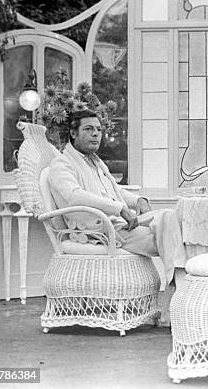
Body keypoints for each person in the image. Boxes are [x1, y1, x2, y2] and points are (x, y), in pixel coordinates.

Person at [47, 109, 185, 294]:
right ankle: (180, 292)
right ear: (73, 133)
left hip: (118, 225)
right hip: (100, 230)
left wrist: (138, 201)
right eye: (88, 129)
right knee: (177, 242)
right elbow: (74, 196)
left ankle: (178, 291)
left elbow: (114, 190)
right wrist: (120, 208)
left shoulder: (94, 162)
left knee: (170, 218)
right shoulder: (61, 164)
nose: (96, 134)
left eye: (98, 129)